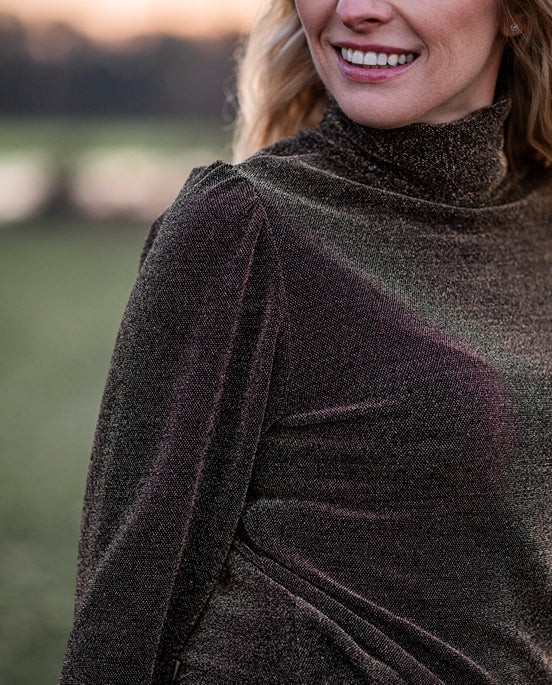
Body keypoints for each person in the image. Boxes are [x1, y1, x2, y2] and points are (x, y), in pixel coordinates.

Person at [60, 0, 552, 683]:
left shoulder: (539, 219)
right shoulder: (243, 223)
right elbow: (128, 595)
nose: (356, 10)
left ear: (516, 13)